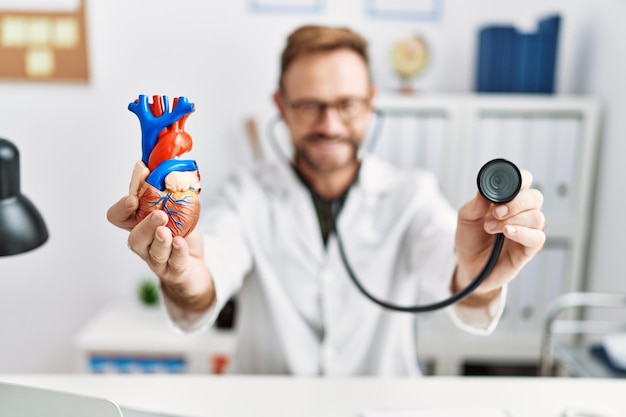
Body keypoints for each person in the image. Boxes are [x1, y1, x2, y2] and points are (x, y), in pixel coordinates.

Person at [107, 25, 546, 375]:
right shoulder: (247, 194)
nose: (330, 124)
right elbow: (204, 284)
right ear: (281, 105)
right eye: (309, 106)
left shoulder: (412, 194)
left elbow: (457, 289)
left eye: (347, 104)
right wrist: (181, 274)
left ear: (372, 102)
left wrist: (481, 276)